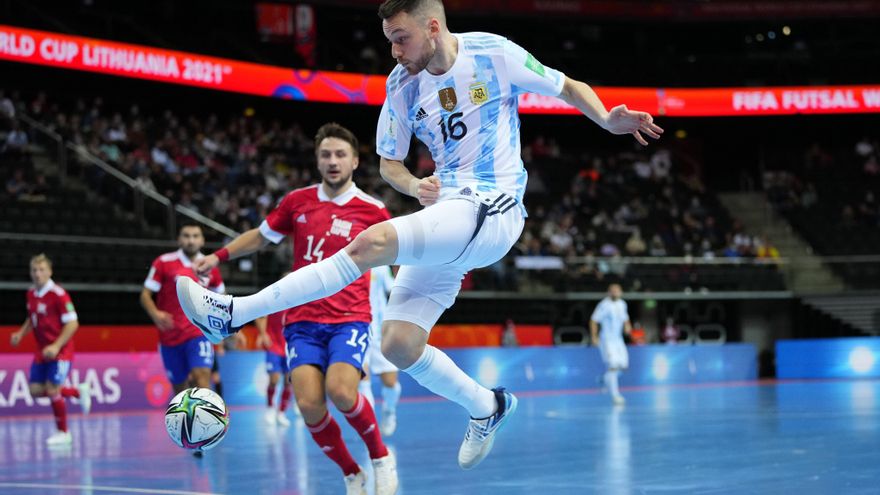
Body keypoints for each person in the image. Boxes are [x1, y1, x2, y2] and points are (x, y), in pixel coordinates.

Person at [177, 0, 662, 470]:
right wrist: (413, 184)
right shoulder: (401, 83)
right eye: (389, 41)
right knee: (398, 344)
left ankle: (234, 313)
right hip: (448, 211)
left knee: (370, 244)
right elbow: (389, 162)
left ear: (433, 28)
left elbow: (566, 86)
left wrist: (605, 118)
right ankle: (485, 405)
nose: (394, 51)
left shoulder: (493, 53)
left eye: (400, 39)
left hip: (495, 207)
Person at [185, 123, 398, 495]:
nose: (333, 161)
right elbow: (261, 236)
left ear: (355, 161)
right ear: (317, 161)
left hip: (349, 317)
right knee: (309, 405)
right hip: (301, 320)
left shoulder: (373, 210)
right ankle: (351, 472)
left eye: (340, 154)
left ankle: (380, 457)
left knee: (343, 392)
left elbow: (403, 255)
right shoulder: (297, 201)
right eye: (326, 155)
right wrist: (219, 256)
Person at [10, 254, 91, 446]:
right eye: (34, 270)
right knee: (35, 391)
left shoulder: (58, 294)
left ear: (50, 271)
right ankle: (77, 393)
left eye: (41, 270)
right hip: (42, 351)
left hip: (61, 351)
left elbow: (73, 323)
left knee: (53, 389)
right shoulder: (31, 294)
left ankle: (63, 433)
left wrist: (56, 345)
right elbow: (33, 318)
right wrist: (21, 334)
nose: (37, 274)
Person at [140, 224, 225, 396]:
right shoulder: (163, 262)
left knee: (202, 378)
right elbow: (145, 295)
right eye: (186, 236)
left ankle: (207, 421)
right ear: (179, 239)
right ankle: (186, 422)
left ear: (202, 240)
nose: (191, 240)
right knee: (179, 389)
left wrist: (228, 328)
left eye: (195, 236)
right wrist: (155, 313)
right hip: (170, 336)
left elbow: (222, 299)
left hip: (198, 333)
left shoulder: (210, 266)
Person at [358, 265, 403, 436]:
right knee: (363, 381)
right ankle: (370, 428)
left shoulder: (381, 266)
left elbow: (391, 288)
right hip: (357, 329)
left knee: (390, 383)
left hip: (381, 331)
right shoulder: (349, 259)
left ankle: (389, 411)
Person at [590, 283, 632, 406]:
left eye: (617, 291)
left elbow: (625, 318)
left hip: (618, 340)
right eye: (612, 291)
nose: (615, 293)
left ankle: (605, 378)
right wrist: (594, 336)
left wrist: (627, 326)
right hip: (607, 340)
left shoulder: (622, 304)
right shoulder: (604, 305)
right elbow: (593, 320)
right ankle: (615, 395)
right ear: (609, 292)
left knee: (623, 366)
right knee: (613, 366)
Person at [255, 311, 295, 427]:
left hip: (289, 346)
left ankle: (282, 412)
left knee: (288, 382)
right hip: (273, 345)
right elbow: (259, 315)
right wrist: (262, 334)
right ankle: (270, 408)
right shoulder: (275, 298)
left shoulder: (294, 301)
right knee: (274, 380)